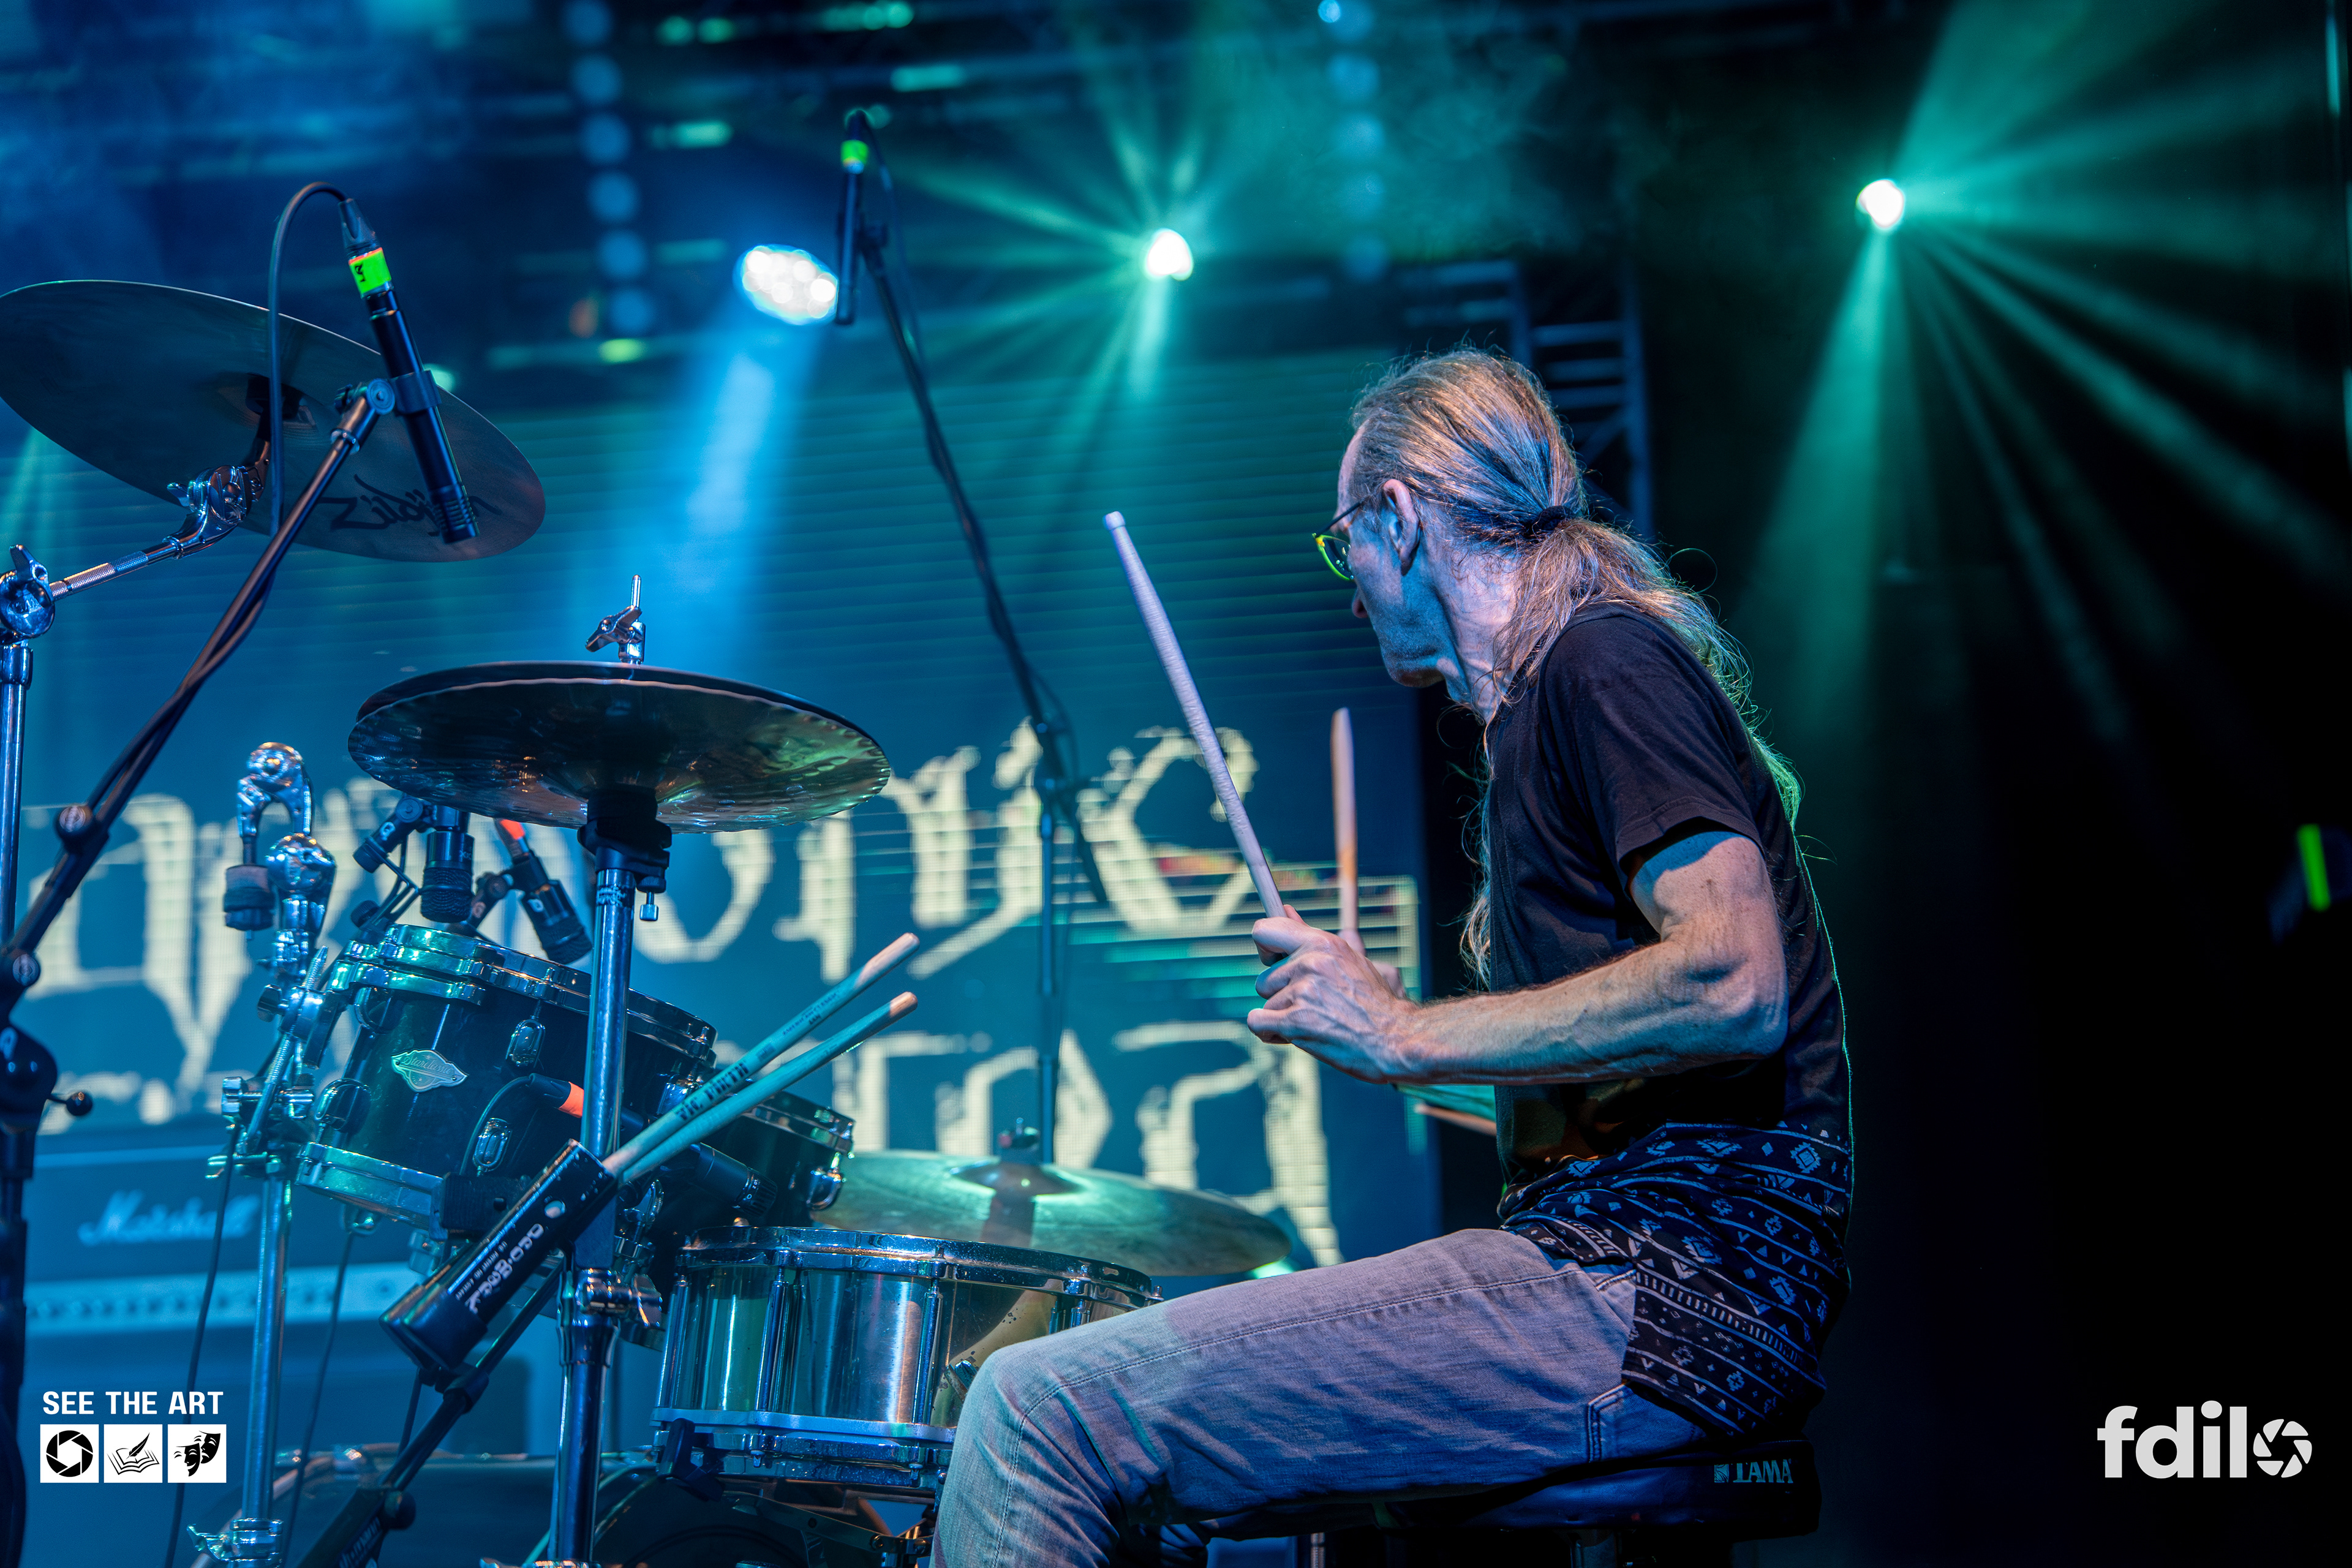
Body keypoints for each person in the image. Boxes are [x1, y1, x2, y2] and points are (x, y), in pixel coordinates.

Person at [931, 348, 1850, 1566]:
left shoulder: (1600, 658)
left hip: (1662, 1290)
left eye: (1345, 544)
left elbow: (1735, 982)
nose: (1353, 592)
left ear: (1402, 519)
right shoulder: (1544, 706)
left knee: (1034, 1408)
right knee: (1163, 1482)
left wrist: (1404, 1030)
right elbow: (1635, 1075)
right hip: (1656, 1283)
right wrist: (1389, 1042)